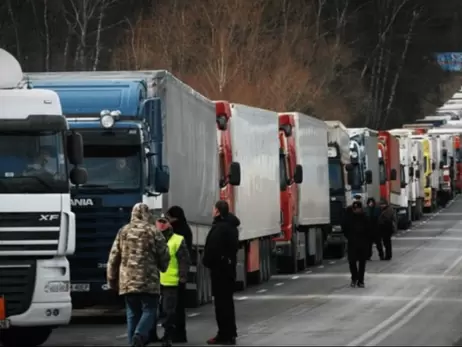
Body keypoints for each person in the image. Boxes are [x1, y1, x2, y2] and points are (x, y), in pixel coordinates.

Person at [106, 202, 170, 347]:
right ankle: (139, 335)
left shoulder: (123, 231)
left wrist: (111, 279)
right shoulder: (154, 231)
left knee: (132, 313)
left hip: (127, 281)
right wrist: (163, 267)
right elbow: (163, 254)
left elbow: (114, 256)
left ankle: (133, 343)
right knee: (150, 309)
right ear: (148, 215)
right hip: (149, 280)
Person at [203, 200, 240, 345]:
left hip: (220, 271)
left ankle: (224, 334)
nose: (212, 211)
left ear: (218, 211)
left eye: (214, 209)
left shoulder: (221, 228)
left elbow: (213, 249)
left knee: (221, 304)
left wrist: (207, 262)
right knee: (227, 303)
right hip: (228, 270)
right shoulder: (231, 227)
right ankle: (230, 333)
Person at [156, 216, 191, 347]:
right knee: (156, 310)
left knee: (168, 310)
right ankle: (153, 334)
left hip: (171, 281)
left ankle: (168, 335)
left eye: (163, 225)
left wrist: (182, 276)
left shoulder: (177, 240)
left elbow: (184, 260)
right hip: (154, 281)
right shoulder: (154, 240)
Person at [165, 205, 193, 342]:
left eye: (168, 217)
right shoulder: (186, 229)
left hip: (172, 275)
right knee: (179, 306)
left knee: (172, 308)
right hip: (179, 275)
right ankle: (180, 333)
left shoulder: (175, 232)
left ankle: (174, 334)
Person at [342, 200, 369, 288]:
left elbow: (369, 229)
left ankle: (361, 280)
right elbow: (344, 228)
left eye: (358, 208)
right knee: (352, 262)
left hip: (363, 243)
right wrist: (349, 237)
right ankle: (354, 278)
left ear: (361, 209)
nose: (356, 210)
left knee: (362, 263)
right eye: (355, 209)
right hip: (352, 243)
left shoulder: (365, 217)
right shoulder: (349, 218)